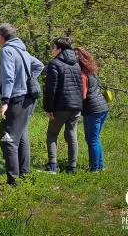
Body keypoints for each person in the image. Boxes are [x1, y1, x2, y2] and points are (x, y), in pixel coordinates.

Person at [0, 24, 44, 186]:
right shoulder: (22, 50)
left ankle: (13, 179)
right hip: (29, 98)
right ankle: (25, 175)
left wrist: (5, 101)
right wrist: (28, 79)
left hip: (16, 99)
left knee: (7, 138)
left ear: (1, 36)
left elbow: (9, 77)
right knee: (21, 135)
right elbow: (39, 65)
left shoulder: (7, 50)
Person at [43, 37, 83, 174]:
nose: (52, 50)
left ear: (59, 49)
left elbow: (51, 89)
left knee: (52, 134)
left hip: (61, 105)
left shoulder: (55, 64)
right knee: (72, 135)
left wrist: (49, 108)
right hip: (76, 106)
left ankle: (52, 165)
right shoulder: (76, 64)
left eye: (54, 48)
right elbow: (79, 86)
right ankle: (72, 167)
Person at [74, 47, 109, 172]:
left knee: (92, 140)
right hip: (103, 108)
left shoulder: (82, 74)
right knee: (95, 139)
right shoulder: (92, 71)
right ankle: (100, 165)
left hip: (92, 110)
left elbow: (82, 95)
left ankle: (94, 168)